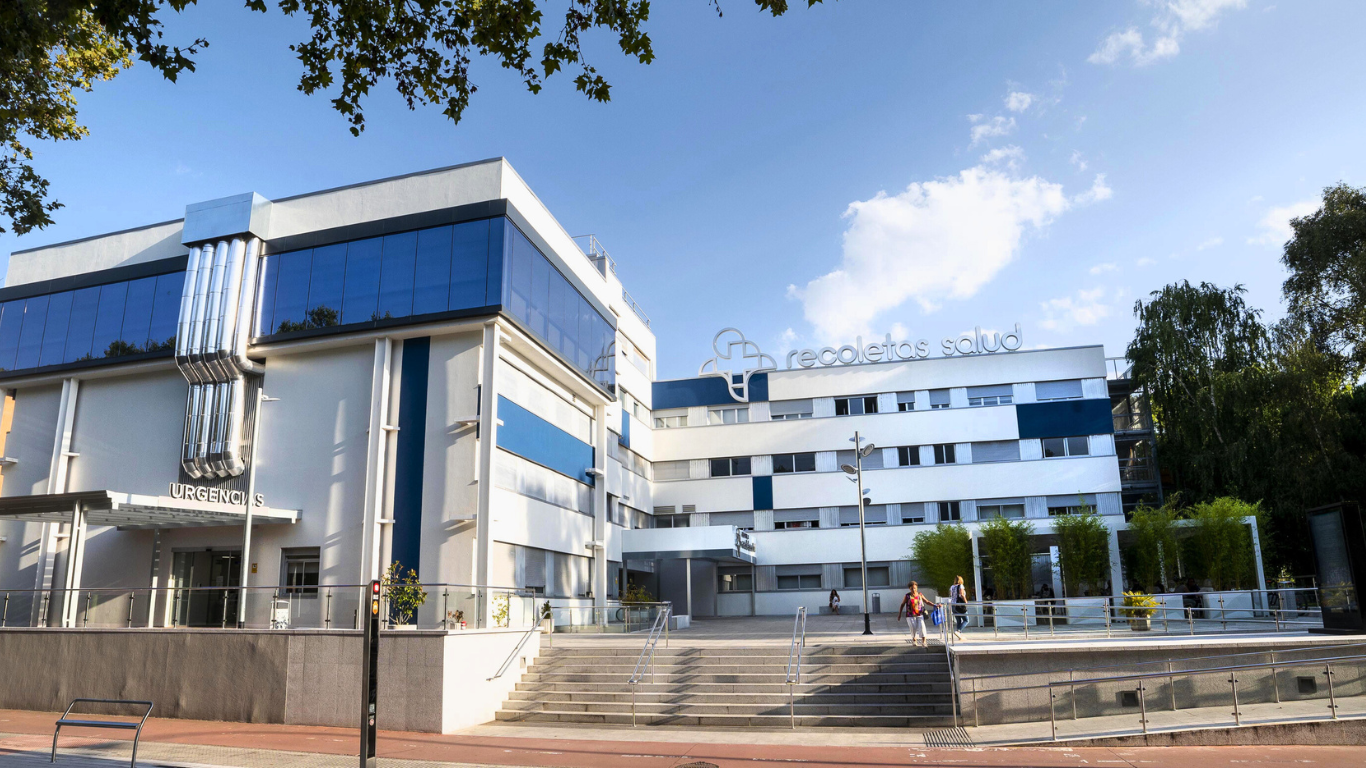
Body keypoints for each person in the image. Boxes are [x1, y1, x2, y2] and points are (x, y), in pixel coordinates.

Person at [897, 581, 930, 647]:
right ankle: (914, 640)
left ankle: (924, 642)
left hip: (919, 614)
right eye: (912, 588)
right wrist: (899, 614)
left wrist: (935, 605)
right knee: (913, 628)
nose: (913, 590)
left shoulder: (920, 594)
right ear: (909, 588)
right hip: (910, 615)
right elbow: (902, 604)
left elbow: (927, 601)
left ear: (917, 587)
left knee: (922, 627)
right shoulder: (907, 596)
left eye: (915, 588)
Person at [948, 575, 970, 640]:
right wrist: (966, 601)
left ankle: (959, 636)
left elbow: (951, 595)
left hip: (953, 605)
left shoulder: (952, 587)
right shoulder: (961, 586)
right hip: (959, 605)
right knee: (966, 620)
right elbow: (961, 595)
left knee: (958, 620)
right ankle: (958, 631)